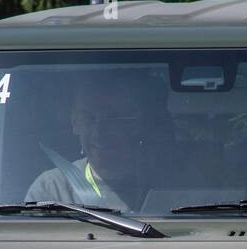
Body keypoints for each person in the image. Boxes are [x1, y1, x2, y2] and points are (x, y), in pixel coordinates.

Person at [25, 71, 169, 210]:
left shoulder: (166, 182)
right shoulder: (51, 190)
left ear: (134, 124)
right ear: (74, 123)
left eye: (112, 118)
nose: (99, 132)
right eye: (88, 118)